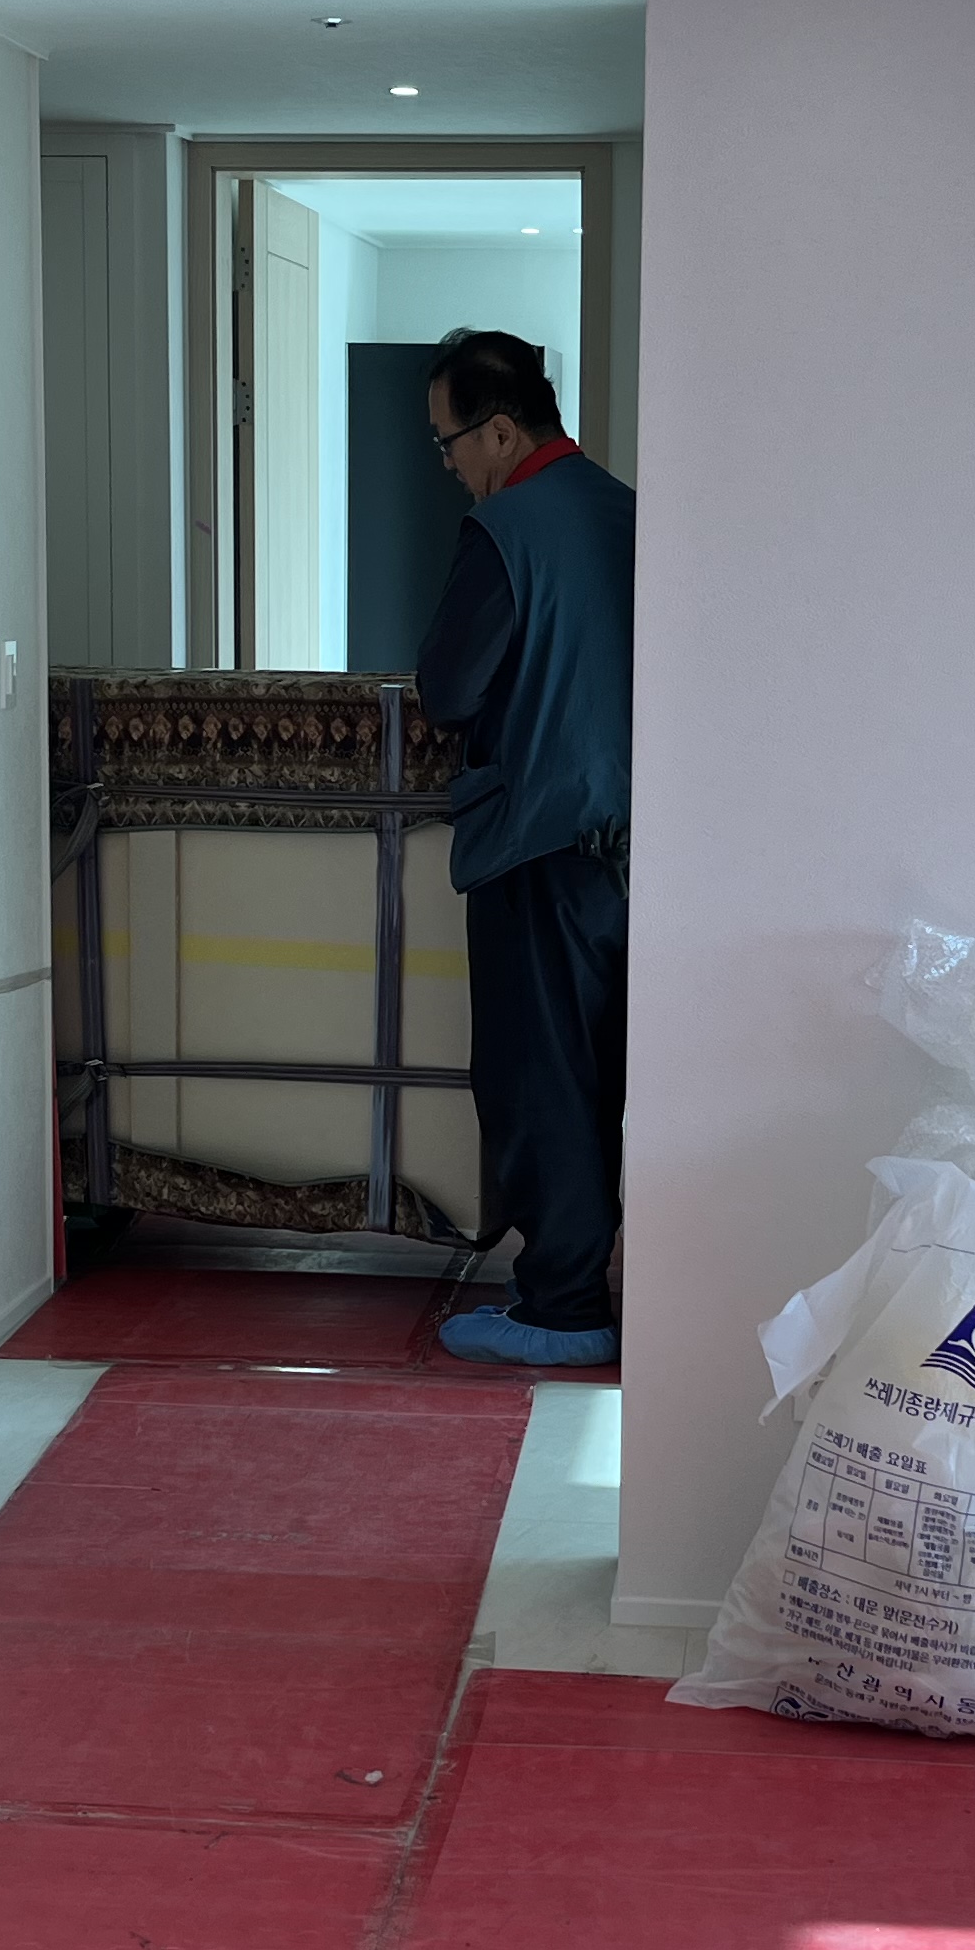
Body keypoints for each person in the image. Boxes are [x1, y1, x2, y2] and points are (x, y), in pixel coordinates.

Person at [414, 328, 633, 1367]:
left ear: (500, 431)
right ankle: (590, 1283)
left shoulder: (504, 530)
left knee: (540, 1080)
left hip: (535, 840)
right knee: (607, 1077)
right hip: (630, 847)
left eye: (449, 441)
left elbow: (449, 688)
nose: (449, 464)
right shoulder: (631, 512)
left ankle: (562, 1307)